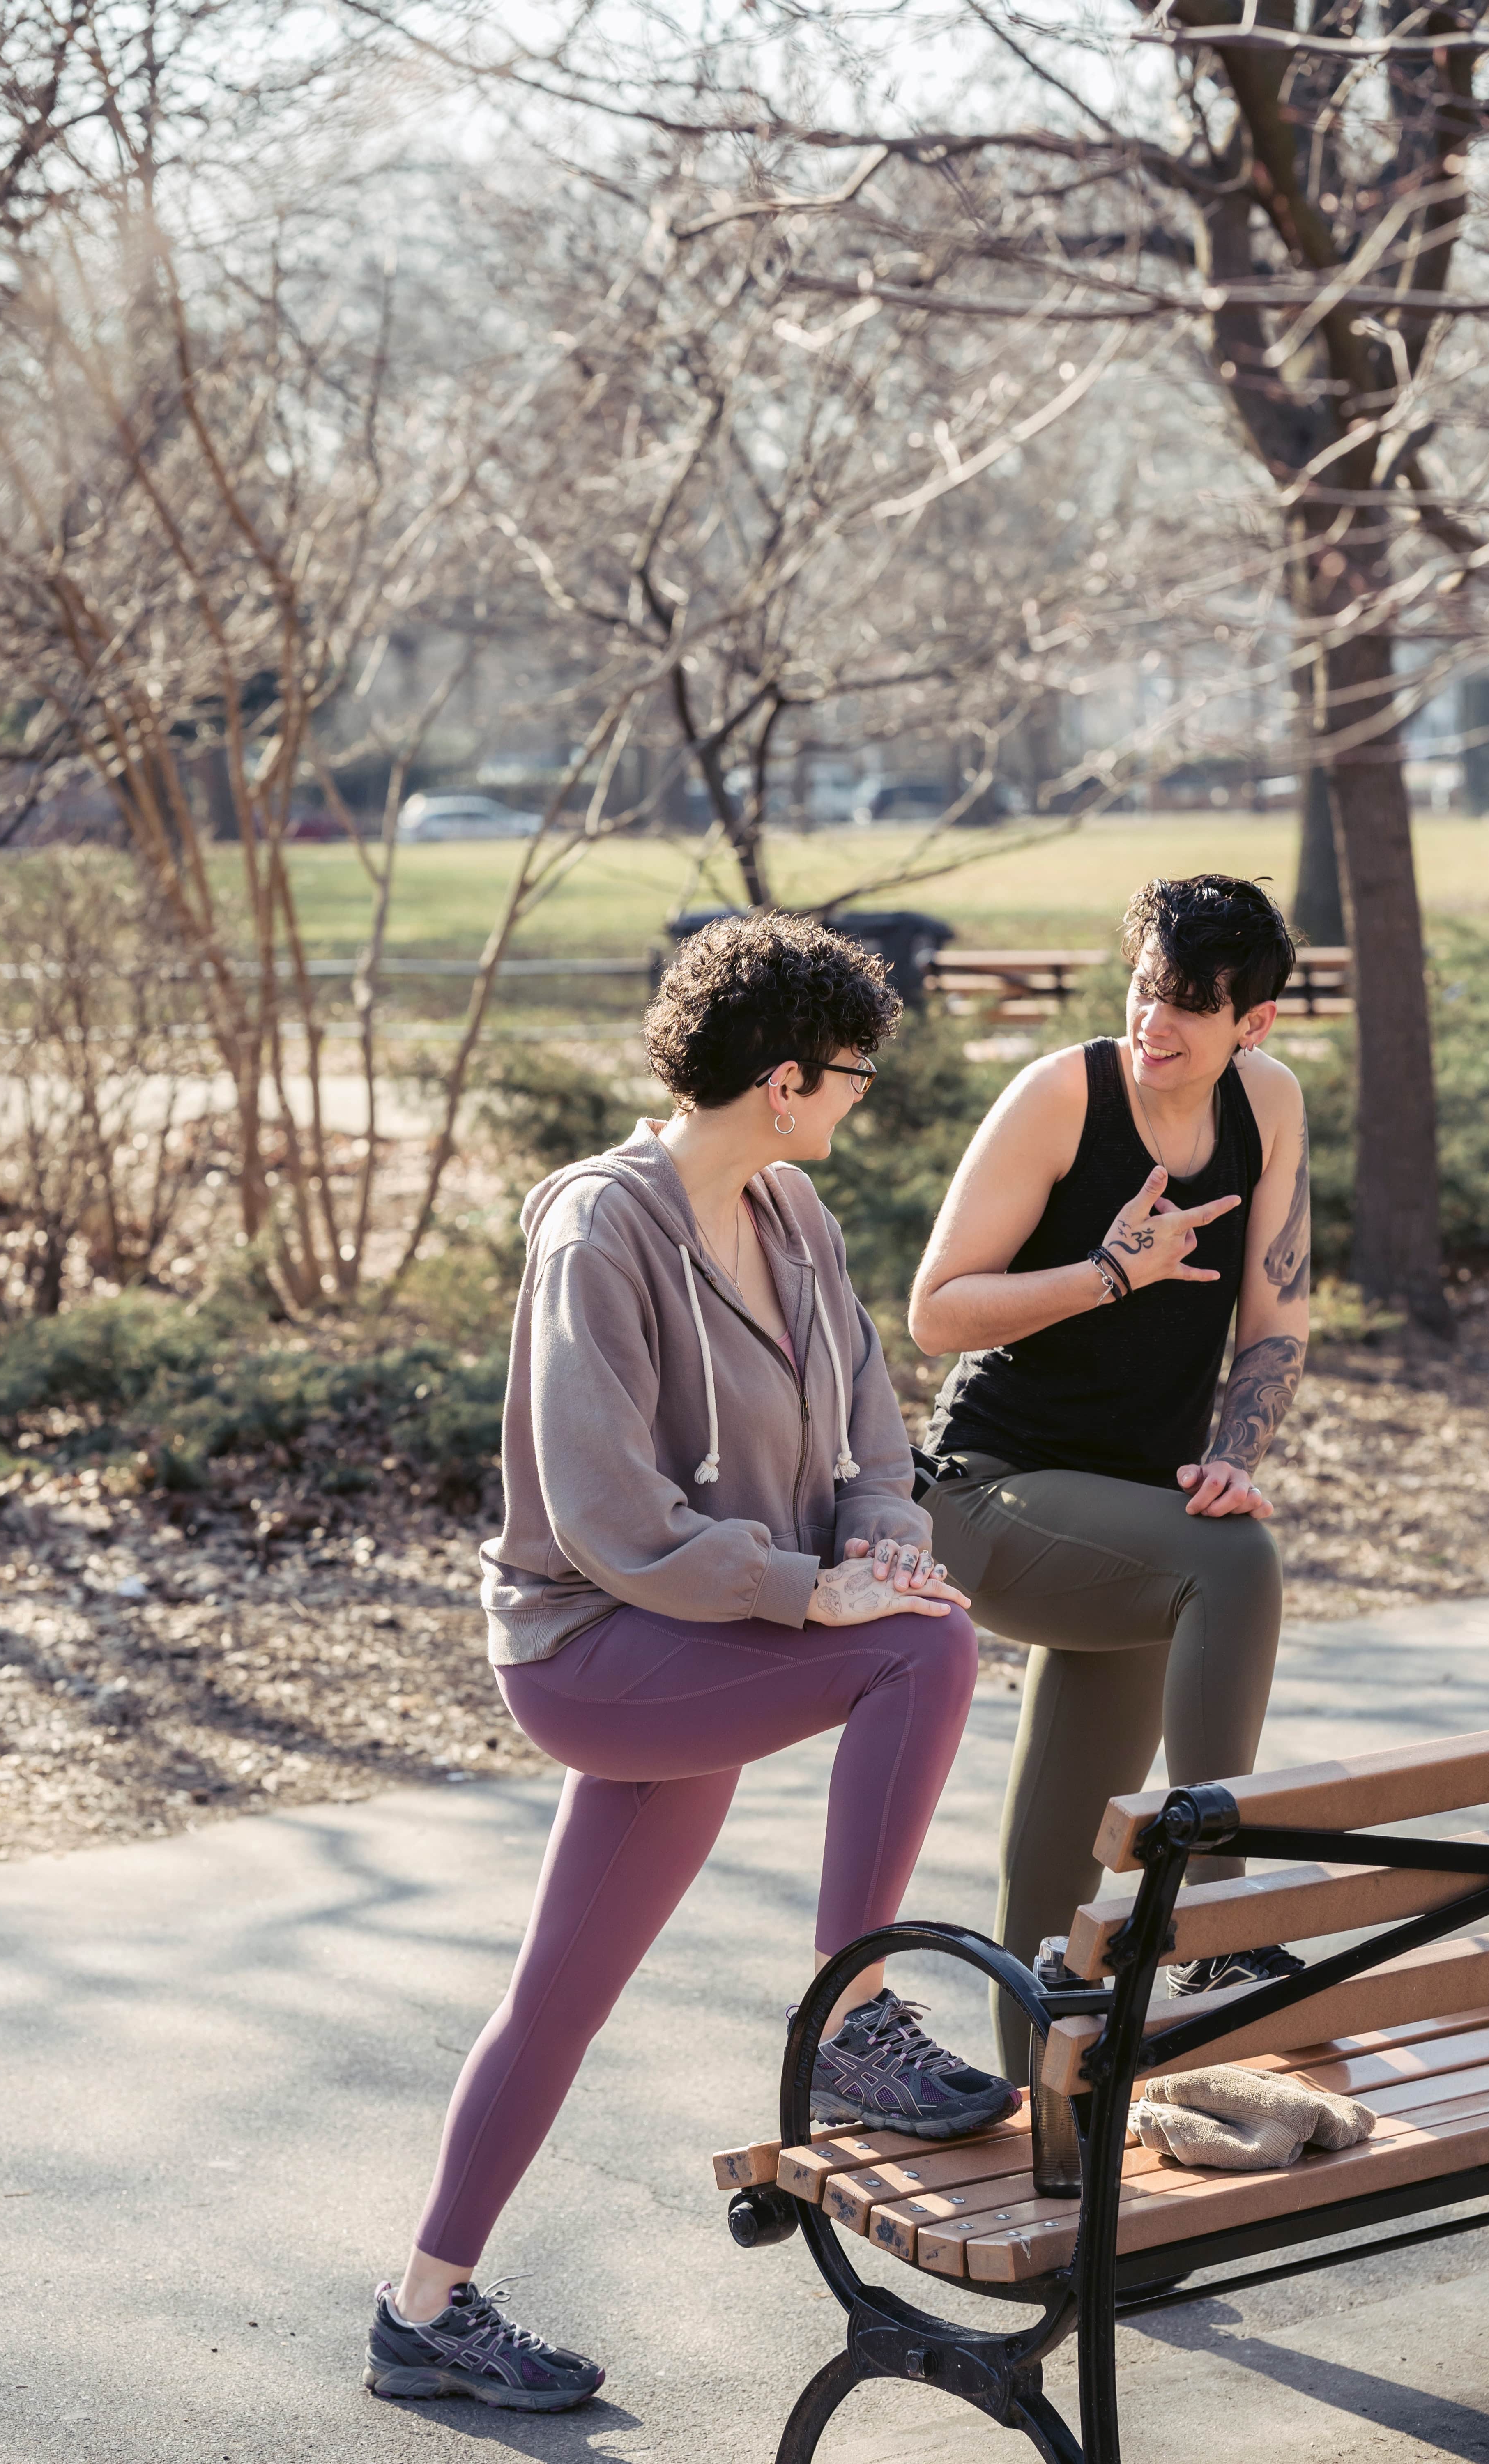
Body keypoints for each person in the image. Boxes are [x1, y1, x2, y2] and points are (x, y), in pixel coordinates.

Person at [365, 912, 1010, 2412]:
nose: (862, 1099)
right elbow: (605, 1512)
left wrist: (874, 1548)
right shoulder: (602, 1227)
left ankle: (421, 2312)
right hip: (595, 1647)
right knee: (930, 1654)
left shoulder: (796, 1218)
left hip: (719, 1631)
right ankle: (851, 2021)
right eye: (851, 1074)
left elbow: (869, 1432)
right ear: (784, 1080)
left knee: (557, 2001)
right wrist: (818, 1595)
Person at [909, 874, 1312, 2082]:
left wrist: (1231, 1460)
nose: (1158, 1024)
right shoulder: (1060, 1098)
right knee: (1236, 1563)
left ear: (1256, 1025)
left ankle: (1053, 2173)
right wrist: (1109, 1273)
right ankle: (1221, 1933)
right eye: (1147, 990)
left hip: (1138, 1523)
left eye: (1193, 1006)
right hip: (986, 1494)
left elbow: (1279, 1324)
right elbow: (935, 1314)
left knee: (1055, 1879)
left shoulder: (1270, 1106)